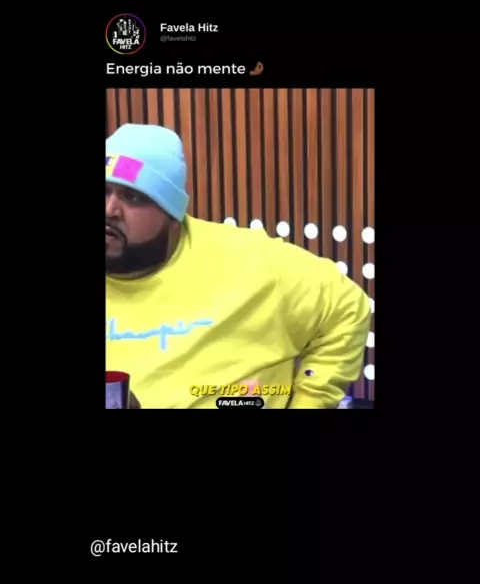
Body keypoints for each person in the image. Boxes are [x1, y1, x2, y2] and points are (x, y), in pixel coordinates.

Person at [106, 123, 371, 409]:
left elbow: (347, 306)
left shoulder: (249, 261)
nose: (109, 210)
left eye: (132, 196)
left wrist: (311, 399)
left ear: (172, 214)